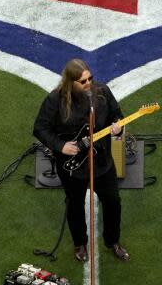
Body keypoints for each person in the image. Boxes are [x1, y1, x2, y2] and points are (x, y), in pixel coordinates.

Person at [33, 58, 130, 263]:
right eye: (83, 81)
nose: (88, 84)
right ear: (70, 82)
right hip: (72, 168)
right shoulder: (54, 100)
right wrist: (61, 146)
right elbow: (40, 128)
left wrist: (118, 127)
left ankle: (113, 241)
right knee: (74, 205)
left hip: (102, 161)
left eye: (90, 79)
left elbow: (117, 115)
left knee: (113, 202)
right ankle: (80, 243)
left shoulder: (102, 93)